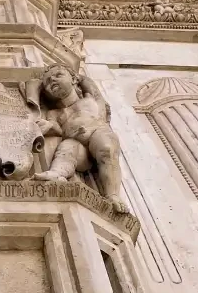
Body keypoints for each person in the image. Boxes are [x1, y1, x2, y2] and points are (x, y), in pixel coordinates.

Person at [32, 64, 128, 213]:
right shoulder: (54, 113)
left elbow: (90, 85)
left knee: (106, 148)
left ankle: (112, 195)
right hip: (78, 143)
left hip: (98, 131)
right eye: (47, 83)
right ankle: (56, 173)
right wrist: (48, 126)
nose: (52, 81)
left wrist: (78, 76)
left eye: (58, 75)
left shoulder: (91, 98)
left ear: (74, 79)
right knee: (67, 148)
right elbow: (57, 129)